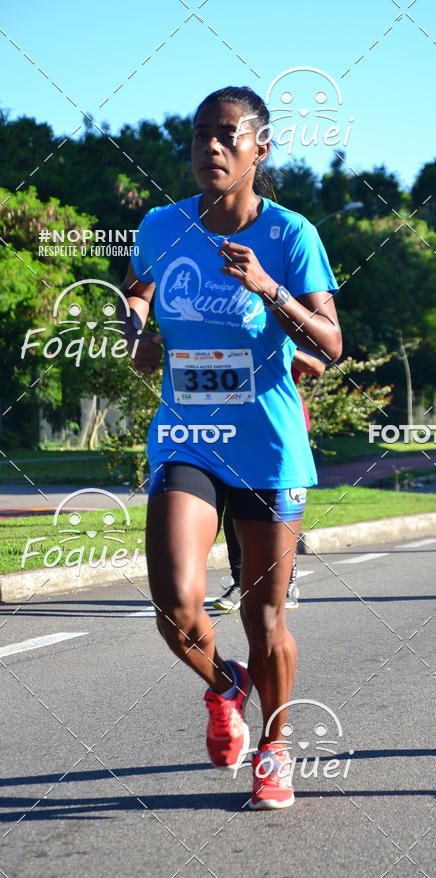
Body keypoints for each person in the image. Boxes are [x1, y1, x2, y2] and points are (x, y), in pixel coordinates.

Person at [120, 85, 342, 810]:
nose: (210, 148)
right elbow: (139, 294)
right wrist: (137, 332)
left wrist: (269, 288)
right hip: (187, 437)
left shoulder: (290, 234)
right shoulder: (159, 225)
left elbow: (332, 344)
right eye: (199, 136)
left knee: (263, 615)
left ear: (259, 148)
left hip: (268, 445)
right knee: (175, 605)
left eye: (227, 135)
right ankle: (226, 686)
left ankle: (274, 747)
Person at [214, 347, 326, 612]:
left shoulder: (285, 325)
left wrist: (280, 346)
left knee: (281, 505)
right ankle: (239, 582)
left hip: (281, 425)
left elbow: (317, 366)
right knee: (234, 503)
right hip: (236, 423)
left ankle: (287, 581)